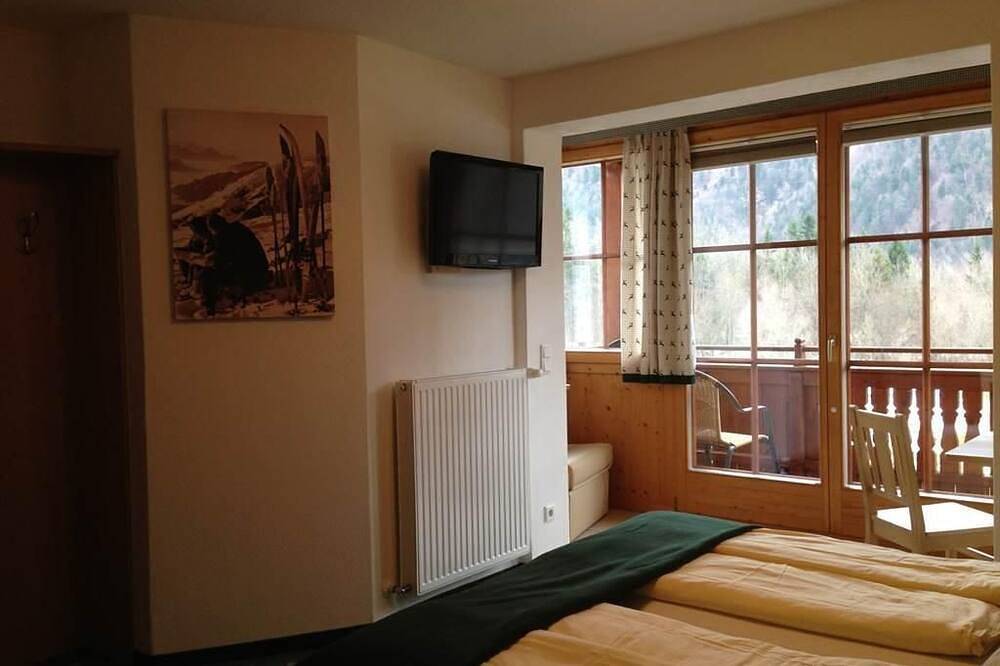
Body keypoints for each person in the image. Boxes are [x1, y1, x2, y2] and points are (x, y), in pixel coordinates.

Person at [200, 213, 270, 316]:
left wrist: (210, 259)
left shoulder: (224, 235)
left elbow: (221, 260)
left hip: (249, 276)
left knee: (206, 274)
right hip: (259, 271)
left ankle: (209, 306)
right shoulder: (237, 229)